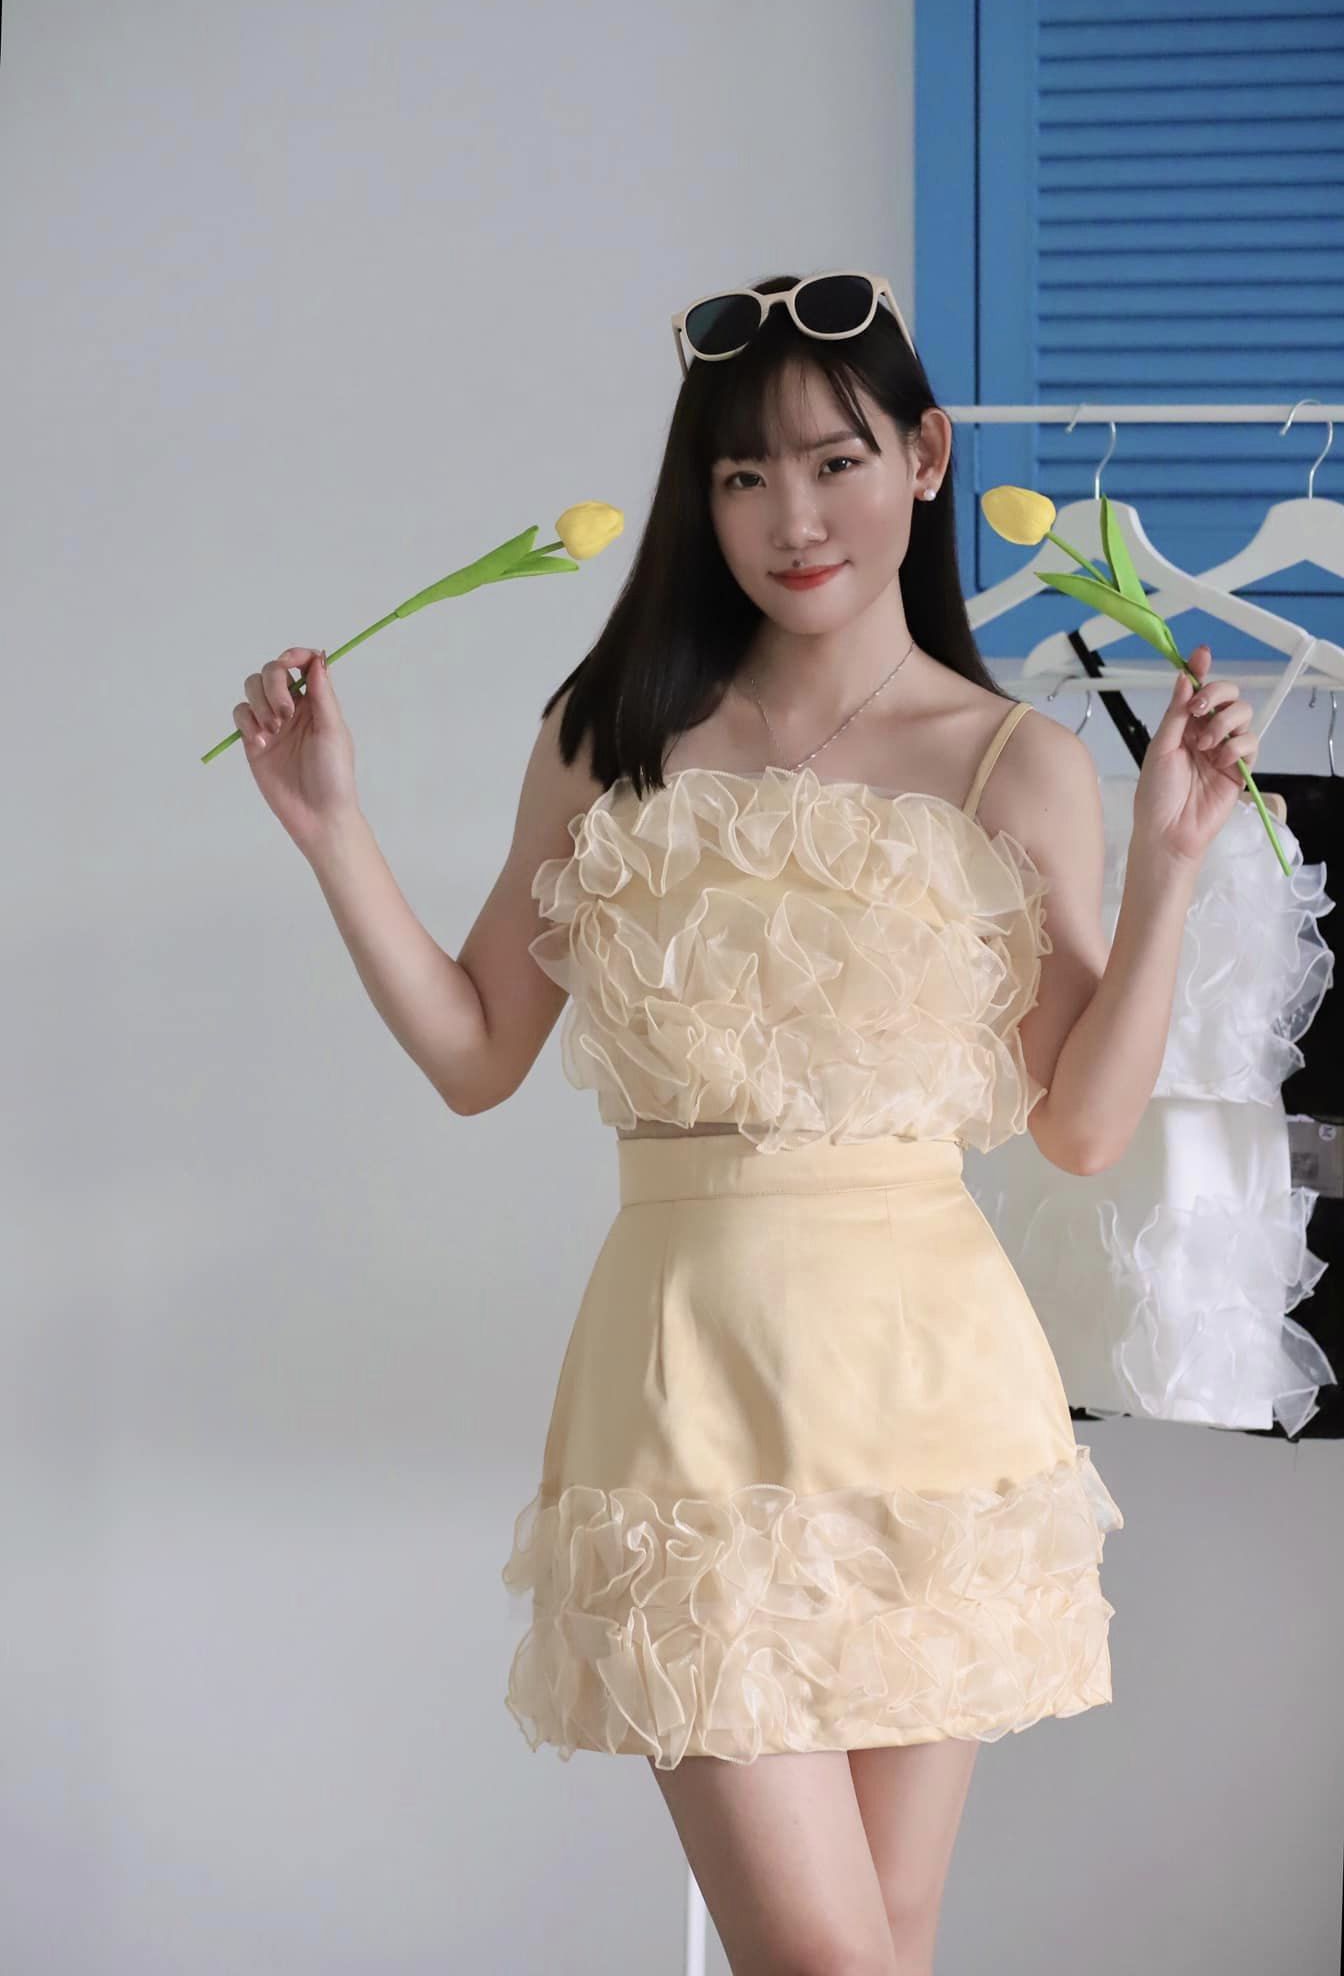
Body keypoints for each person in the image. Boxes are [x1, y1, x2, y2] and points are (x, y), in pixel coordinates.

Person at [233, 270, 1261, 1976]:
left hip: (931, 1397)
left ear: (925, 457)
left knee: (891, 1942)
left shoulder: (1013, 763)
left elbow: (1081, 1129)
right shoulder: (612, 736)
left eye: (835, 461)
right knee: (827, 1960)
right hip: (684, 1388)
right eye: (741, 475)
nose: (793, 518)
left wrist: (1166, 868)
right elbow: (478, 1052)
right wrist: (334, 832)